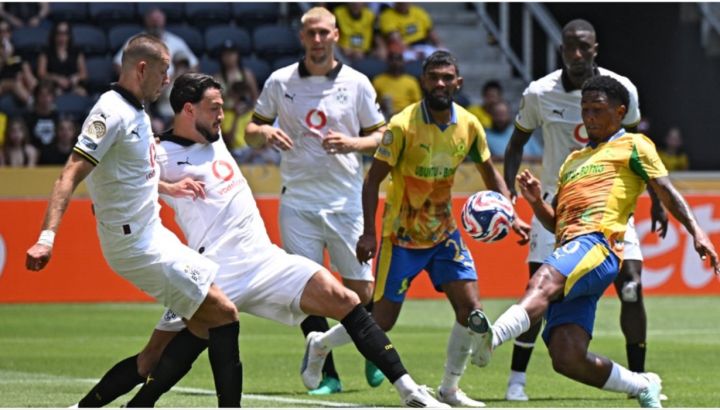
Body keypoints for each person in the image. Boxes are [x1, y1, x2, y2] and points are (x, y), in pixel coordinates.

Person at [76, 72, 448, 409]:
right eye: (214, 108)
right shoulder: (157, 151)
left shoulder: (214, 137)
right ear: (189, 109)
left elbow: (252, 129)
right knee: (151, 359)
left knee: (346, 300)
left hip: (266, 260)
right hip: (213, 272)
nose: (222, 116)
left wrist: (265, 133)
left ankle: (409, 391)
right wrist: (166, 187)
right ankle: (107, 406)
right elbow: (113, 177)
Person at [476, 74, 719, 408]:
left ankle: (493, 337)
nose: (588, 117)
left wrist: (696, 231)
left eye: (597, 110)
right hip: (571, 249)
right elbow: (558, 224)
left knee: (542, 281)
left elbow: (665, 190)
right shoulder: (572, 161)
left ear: (620, 112)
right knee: (566, 356)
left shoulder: (634, 145)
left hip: (599, 243)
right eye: (585, 109)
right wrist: (535, 202)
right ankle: (642, 384)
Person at [25, 35, 243, 407]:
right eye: (163, 71)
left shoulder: (137, 112)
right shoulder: (110, 112)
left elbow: (129, 173)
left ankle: (90, 407)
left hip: (153, 234)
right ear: (142, 69)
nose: (167, 80)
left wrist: (168, 187)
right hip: (136, 245)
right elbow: (70, 173)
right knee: (223, 313)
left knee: (170, 345)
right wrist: (47, 237)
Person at [345, 50, 529, 407]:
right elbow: (372, 181)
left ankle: (449, 389)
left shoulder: (470, 125)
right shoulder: (402, 126)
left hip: (445, 234)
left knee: (470, 309)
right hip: (402, 235)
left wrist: (511, 213)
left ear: (458, 83)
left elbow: (490, 173)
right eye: (434, 77)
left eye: (447, 77)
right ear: (423, 81)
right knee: (382, 321)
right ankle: (321, 345)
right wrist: (369, 232)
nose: (440, 83)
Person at [502, 19, 668, 402]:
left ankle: (639, 379)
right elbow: (515, 144)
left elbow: (637, 148)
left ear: (596, 49)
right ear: (561, 50)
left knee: (631, 287)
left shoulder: (620, 88)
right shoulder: (539, 92)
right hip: (555, 202)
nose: (577, 54)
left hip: (608, 204)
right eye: (570, 47)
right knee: (538, 290)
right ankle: (516, 380)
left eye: (584, 47)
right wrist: (509, 195)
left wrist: (657, 201)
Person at [245, 6, 386, 395]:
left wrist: (353, 143)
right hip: (297, 202)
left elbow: (382, 135)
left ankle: (372, 347)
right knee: (307, 289)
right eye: (311, 33)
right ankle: (328, 376)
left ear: (336, 35)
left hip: (345, 201)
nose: (318, 39)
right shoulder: (280, 81)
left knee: (362, 292)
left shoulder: (357, 83)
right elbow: (250, 130)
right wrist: (264, 135)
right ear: (302, 37)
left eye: (324, 32)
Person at [113, 7, 199, 76]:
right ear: (146, 20)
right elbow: (118, 64)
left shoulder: (176, 41)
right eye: (152, 19)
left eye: (158, 18)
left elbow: (194, 65)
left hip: (173, 84)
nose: (155, 22)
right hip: (145, 86)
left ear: (164, 20)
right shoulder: (134, 41)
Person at [37, 21, 88, 96]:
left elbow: (84, 74)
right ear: (54, 35)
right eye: (59, 33)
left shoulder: (77, 52)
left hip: (73, 86)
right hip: (53, 87)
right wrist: (57, 79)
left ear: (69, 35)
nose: (62, 36)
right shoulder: (46, 52)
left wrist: (77, 77)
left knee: (82, 93)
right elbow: (41, 73)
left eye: (65, 33)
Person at [372, 51, 422, 118]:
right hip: (385, 115)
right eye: (392, 60)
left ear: (403, 62)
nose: (395, 63)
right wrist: (381, 105)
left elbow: (418, 104)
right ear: (387, 62)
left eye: (398, 60)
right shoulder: (378, 80)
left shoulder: (411, 81)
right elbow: (372, 103)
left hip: (406, 115)